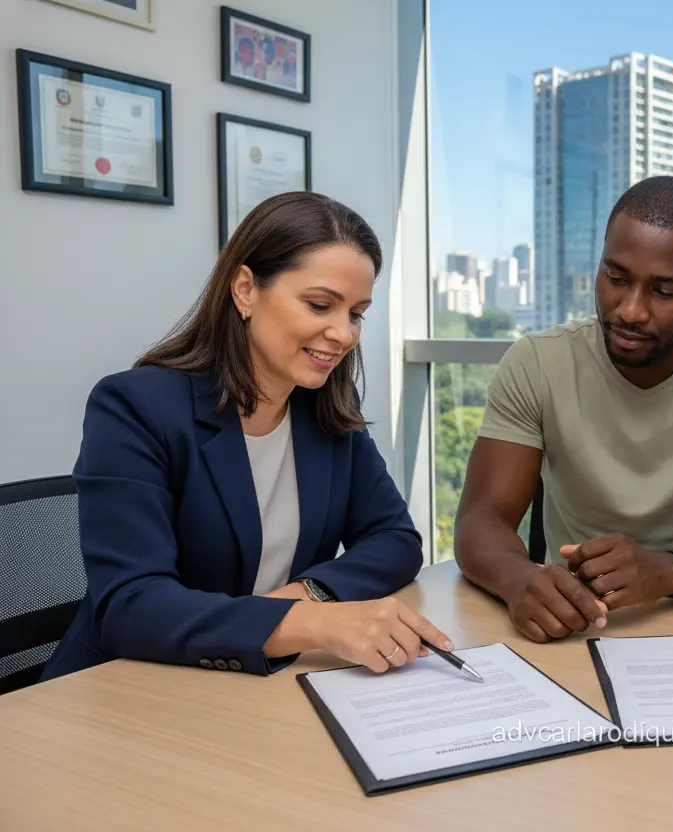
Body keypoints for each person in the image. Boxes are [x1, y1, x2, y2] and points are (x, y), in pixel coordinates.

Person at [41, 192, 452, 682]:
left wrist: (308, 597)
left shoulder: (326, 410)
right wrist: (310, 623)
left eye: (356, 313)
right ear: (245, 290)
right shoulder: (135, 408)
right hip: (125, 684)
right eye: (320, 304)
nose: (343, 334)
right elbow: (131, 606)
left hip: (257, 682)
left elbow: (395, 540)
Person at [454, 177, 673, 643]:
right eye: (615, 278)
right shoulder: (538, 361)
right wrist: (519, 579)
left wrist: (668, 571)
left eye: (664, 291)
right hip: (568, 621)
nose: (630, 310)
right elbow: (480, 520)